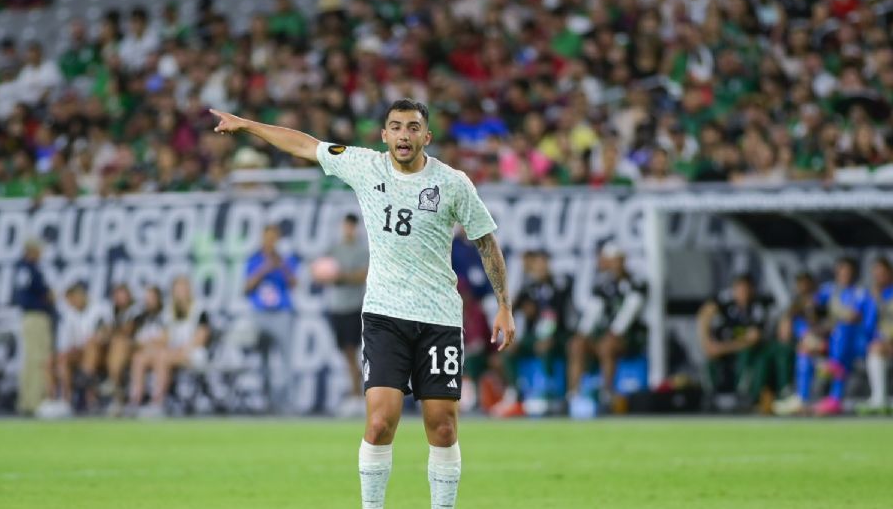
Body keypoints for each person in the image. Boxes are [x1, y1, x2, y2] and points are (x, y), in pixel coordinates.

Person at [211, 98, 515, 509]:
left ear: (427, 136)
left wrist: (504, 305)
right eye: (396, 127)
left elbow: (485, 241)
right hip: (384, 316)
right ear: (385, 134)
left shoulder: (453, 183)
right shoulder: (364, 165)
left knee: (442, 427)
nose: (404, 135)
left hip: (439, 317)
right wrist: (246, 124)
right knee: (378, 422)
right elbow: (304, 144)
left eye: (412, 128)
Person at [494, 250, 573, 417]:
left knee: (545, 345)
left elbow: (554, 315)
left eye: (542, 264)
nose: (540, 269)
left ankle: (550, 391)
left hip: (558, 336)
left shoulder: (559, 285)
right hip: (534, 337)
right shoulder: (529, 287)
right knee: (509, 347)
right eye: (536, 265)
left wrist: (545, 334)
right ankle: (515, 391)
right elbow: (511, 308)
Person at [570, 244, 646, 413]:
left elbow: (630, 312)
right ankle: (574, 395)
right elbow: (593, 312)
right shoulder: (603, 285)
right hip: (605, 335)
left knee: (607, 346)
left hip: (630, 337)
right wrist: (583, 334)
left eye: (617, 261)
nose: (614, 265)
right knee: (577, 345)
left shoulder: (636, 283)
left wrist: (614, 333)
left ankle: (606, 394)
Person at [128, 276, 211, 418]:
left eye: (182, 289)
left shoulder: (199, 310)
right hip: (172, 352)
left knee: (162, 357)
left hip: (194, 353)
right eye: (177, 290)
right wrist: (150, 346)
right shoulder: (168, 312)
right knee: (139, 358)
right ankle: (135, 400)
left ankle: (157, 403)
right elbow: (165, 337)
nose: (179, 293)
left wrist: (181, 349)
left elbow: (201, 338)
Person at [697, 274, 774, 409]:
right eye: (739, 289)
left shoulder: (756, 308)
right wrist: (706, 342)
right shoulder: (726, 301)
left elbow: (753, 339)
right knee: (710, 361)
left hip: (740, 350)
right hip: (723, 348)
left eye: (745, 290)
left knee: (748, 357)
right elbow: (704, 314)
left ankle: (743, 395)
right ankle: (711, 395)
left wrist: (722, 348)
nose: (742, 293)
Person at [244, 223, 299, 412]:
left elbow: (294, 283)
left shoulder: (284, 260)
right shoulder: (254, 259)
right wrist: (265, 269)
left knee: (286, 360)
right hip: (260, 314)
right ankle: (266, 402)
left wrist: (280, 266)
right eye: (267, 237)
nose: (270, 241)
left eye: (273, 238)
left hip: (281, 313)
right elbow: (247, 287)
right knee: (262, 359)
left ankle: (287, 403)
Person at [809, 257, 873, 416]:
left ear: (854, 274)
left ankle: (835, 397)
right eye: (840, 271)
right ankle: (805, 398)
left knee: (842, 330)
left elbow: (856, 318)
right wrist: (816, 328)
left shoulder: (860, 292)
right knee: (805, 346)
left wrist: (838, 317)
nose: (843, 275)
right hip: (830, 339)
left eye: (847, 272)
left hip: (856, 341)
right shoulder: (829, 290)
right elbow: (811, 307)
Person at [320, 213, 369, 416]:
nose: (347, 230)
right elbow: (320, 271)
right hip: (337, 306)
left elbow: (364, 274)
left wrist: (341, 276)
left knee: (353, 352)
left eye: (351, 226)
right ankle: (356, 394)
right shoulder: (335, 249)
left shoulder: (361, 249)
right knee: (346, 353)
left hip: (354, 306)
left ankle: (358, 396)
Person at [38, 282, 105, 418]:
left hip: (97, 353)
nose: (71, 304)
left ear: (80, 296)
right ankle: (54, 400)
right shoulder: (69, 314)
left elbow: (101, 336)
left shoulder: (99, 309)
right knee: (53, 360)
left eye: (73, 300)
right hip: (76, 353)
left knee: (90, 348)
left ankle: (70, 399)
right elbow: (65, 343)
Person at [773, 272, 825, 416]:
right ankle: (789, 394)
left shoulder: (821, 301)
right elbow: (784, 333)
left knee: (804, 352)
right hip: (800, 345)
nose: (803, 288)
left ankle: (804, 398)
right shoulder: (795, 307)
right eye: (800, 284)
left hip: (822, 344)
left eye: (805, 284)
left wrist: (810, 310)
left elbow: (823, 325)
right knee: (791, 351)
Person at [14, 239, 54, 416]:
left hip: (27, 317)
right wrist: (50, 298)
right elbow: (43, 294)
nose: (41, 253)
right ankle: (36, 401)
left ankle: (26, 401)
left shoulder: (21, 268)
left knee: (29, 360)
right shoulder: (31, 268)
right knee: (39, 359)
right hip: (36, 316)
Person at [860, 258, 892, 414]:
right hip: (882, 344)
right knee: (875, 348)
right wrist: (874, 300)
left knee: (877, 348)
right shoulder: (870, 296)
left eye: (882, 273)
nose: (878, 277)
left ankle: (880, 399)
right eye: (876, 274)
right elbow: (868, 326)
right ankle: (879, 399)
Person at [101, 284, 139, 416]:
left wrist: (111, 333)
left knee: (119, 343)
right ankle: (113, 391)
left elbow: (128, 331)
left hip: (135, 347)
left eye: (122, 294)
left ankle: (113, 382)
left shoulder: (135, 311)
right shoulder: (112, 312)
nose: (119, 298)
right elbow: (104, 331)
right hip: (114, 349)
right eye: (117, 295)